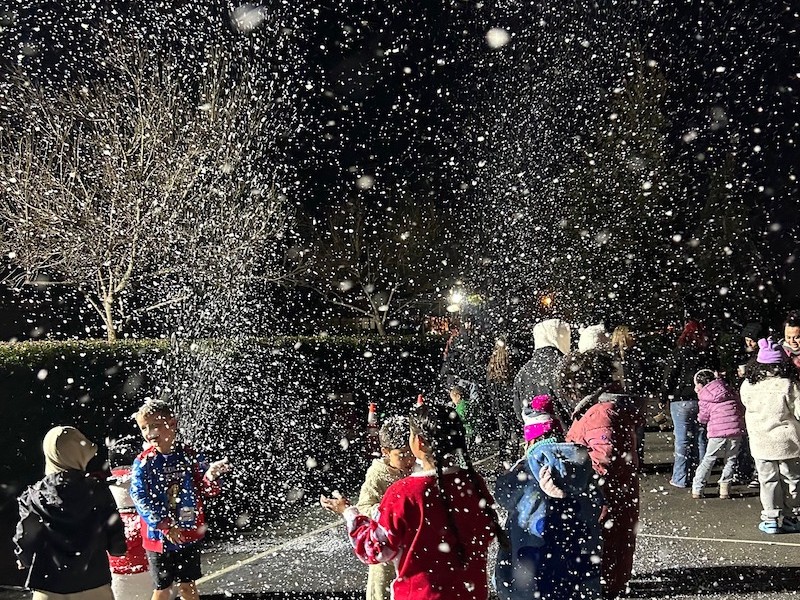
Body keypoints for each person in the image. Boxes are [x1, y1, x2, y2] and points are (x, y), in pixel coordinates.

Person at [320, 402, 504, 600]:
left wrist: (349, 513)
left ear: (419, 442)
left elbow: (373, 550)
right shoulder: (473, 483)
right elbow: (487, 531)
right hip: (470, 593)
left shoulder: (403, 493)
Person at [494, 395, 602, 600]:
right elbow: (597, 506)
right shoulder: (582, 464)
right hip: (577, 557)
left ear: (530, 440)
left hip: (533, 558)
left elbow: (502, 494)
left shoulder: (526, 470)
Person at [559, 350, 643, 600]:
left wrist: (568, 474)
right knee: (612, 558)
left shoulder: (601, 413)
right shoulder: (602, 409)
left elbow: (602, 460)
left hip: (602, 504)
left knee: (603, 562)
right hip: (613, 499)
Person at [130, 399, 231, 600]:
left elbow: (205, 490)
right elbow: (139, 497)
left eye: (155, 426)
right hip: (158, 538)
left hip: (188, 533)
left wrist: (210, 477)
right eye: (144, 428)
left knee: (188, 586)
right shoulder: (143, 462)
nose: (150, 433)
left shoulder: (189, 455)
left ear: (173, 424)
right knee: (163, 589)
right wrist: (164, 525)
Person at [14, 426, 126, 600]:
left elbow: (27, 535)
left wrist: (24, 557)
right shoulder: (97, 490)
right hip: (93, 582)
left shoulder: (34, 496)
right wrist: (118, 548)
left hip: (49, 584)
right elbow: (113, 529)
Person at [740, 338, 800, 534]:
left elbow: (747, 405)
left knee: (768, 480)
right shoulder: (788, 384)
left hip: (760, 440)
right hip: (787, 442)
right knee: (792, 479)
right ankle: (793, 516)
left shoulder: (748, 385)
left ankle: (771, 518)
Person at [355, 416, 416, 600]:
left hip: (413, 546)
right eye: (402, 454)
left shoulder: (417, 468)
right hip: (386, 547)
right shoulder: (377, 475)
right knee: (383, 589)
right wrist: (388, 515)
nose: (408, 459)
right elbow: (365, 505)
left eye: (410, 452)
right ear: (386, 452)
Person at [661, 320, 719, 489]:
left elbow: (670, 375)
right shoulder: (708, 353)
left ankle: (681, 477)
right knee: (702, 439)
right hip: (704, 399)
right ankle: (701, 476)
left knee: (682, 440)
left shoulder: (679, 353)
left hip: (681, 400)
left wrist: (663, 396)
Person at [691, 369, 746, 500]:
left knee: (709, 459)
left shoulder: (705, 397)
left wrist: (700, 419)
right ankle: (724, 489)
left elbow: (703, 417)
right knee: (731, 459)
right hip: (735, 428)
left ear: (700, 384)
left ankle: (698, 488)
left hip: (717, 431)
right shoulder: (729, 390)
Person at [513, 318, 571, 426]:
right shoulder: (565, 367)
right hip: (567, 436)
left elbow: (519, 412)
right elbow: (574, 407)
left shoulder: (522, 373)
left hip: (536, 437)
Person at [610, 325, 647, 465]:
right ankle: (636, 460)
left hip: (621, 394)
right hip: (634, 394)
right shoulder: (634, 353)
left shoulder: (612, 355)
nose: (634, 336)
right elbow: (641, 374)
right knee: (637, 429)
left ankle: (625, 459)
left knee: (623, 428)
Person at [486, 336, 519, 465]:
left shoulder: (492, 367)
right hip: (510, 402)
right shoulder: (510, 365)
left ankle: (502, 458)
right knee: (513, 430)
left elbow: (489, 387)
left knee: (502, 432)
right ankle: (514, 458)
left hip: (498, 404)